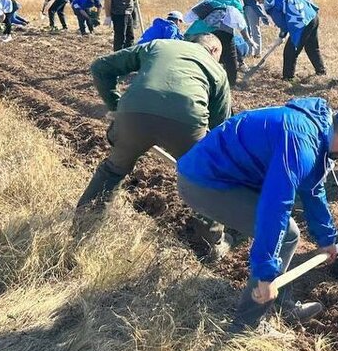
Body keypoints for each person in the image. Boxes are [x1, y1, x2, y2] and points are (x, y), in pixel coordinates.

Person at [176, 98, 338, 323]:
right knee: (287, 236)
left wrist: (326, 238)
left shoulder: (317, 128)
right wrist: (265, 272)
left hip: (226, 172)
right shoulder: (302, 145)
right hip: (204, 181)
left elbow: (313, 188)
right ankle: (247, 325)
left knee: (287, 233)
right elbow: (275, 205)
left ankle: (282, 304)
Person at [75, 35, 231, 220]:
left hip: (133, 115)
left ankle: (84, 222)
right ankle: (210, 243)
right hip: (187, 121)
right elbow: (220, 127)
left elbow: (100, 67)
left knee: (113, 170)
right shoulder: (217, 71)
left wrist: (116, 107)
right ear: (213, 50)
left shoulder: (159, 45)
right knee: (205, 180)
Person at [185, 0, 255, 85]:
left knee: (203, 59)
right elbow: (241, 23)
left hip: (197, 33)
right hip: (222, 32)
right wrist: (248, 38)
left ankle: (200, 81)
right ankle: (231, 83)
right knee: (231, 58)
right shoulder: (234, 1)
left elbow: (190, 17)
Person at [265, 0, 325, 81]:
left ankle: (288, 78)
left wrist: (281, 36)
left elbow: (284, 26)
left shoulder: (273, 9)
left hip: (302, 25)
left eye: (259, 1)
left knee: (290, 52)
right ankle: (321, 71)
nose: (261, 3)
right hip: (312, 16)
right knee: (312, 47)